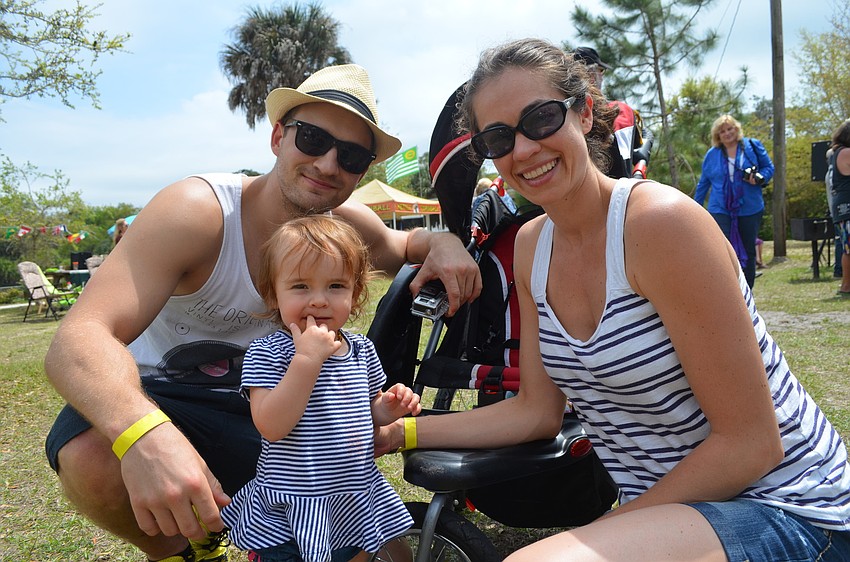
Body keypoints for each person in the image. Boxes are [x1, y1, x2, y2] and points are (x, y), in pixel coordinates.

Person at [376, 38, 850, 561]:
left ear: (582, 112)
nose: (525, 149)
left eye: (540, 118)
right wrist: (403, 431)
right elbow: (535, 413)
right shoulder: (533, 249)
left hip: (793, 507)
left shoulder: (660, 225)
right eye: (499, 137)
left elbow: (751, 445)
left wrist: (606, 527)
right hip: (682, 515)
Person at [43, 63, 480, 562]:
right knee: (90, 451)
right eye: (312, 138)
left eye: (353, 155)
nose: (328, 164)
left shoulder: (340, 226)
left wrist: (443, 242)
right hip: (166, 396)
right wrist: (146, 434)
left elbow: (403, 243)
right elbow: (79, 336)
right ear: (278, 136)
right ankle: (182, 551)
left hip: (273, 407)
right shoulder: (198, 211)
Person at [221, 216, 420, 562]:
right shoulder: (269, 353)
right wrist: (307, 362)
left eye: (335, 286)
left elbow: (365, 409)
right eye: (300, 287)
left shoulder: (362, 350)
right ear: (273, 294)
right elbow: (271, 424)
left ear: (355, 293)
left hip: (351, 499)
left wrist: (388, 408)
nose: (318, 300)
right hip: (295, 509)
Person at [694, 114, 774, 288]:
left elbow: (769, 168)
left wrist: (759, 177)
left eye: (730, 129)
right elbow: (704, 183)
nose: (727, 133)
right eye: (722, 131)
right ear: (718, 135)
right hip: (720, 209)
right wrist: (694, 208)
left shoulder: (752, 146)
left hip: (749, 208)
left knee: (748, 250)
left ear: (736, 129)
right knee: (723, 250)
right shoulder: (712, 154)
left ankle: (747, 291)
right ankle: (728, 289)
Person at [572, 46, 653, 179]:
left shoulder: (561, 120)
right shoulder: (620, 111)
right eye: (601, 71)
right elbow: (631, 150)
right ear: (591, 76)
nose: (602, 77)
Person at [828, 119, 850, 295]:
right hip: (847, 207)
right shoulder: (845, 153)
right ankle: (846, 285)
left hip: (843, 206)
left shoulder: (837, 152)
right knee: (849, 248)